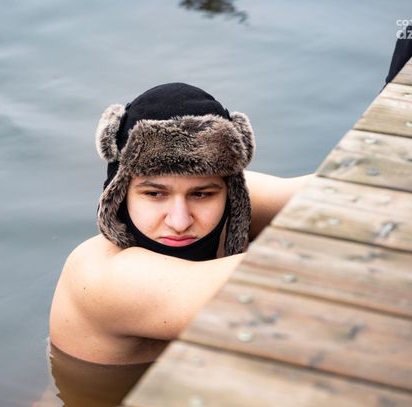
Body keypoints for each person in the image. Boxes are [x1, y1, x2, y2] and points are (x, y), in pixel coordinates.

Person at [49, 82, 312, 367]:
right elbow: (278, 284)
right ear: (120, 194)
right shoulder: (104, 276)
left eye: (201, 194)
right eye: (154, 194)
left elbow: (336, 191)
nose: (180, 221)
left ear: (229, 192)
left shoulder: (232, 199)